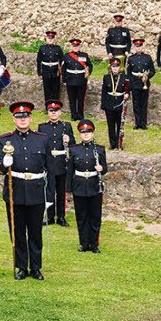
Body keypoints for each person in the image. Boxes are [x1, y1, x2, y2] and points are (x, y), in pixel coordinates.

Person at [0, 101, 49, 280]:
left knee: (35, 232)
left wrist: (49, 195)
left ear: (31, 118)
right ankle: (21, 267)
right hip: (15, 192)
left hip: (36, 191)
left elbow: (49, 168)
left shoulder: (42, 139)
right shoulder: (5, 140)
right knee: (17, 232)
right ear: (14, 119)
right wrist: (5, 164)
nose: (23, 119)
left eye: (25, 116)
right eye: (19, 117)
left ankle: (35, 267)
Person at [68, 119, 107, 252]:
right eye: (83, 132)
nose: (85, 134)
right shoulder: (73, 149)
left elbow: (105, 168)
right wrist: (68, 189)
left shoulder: (100, 149)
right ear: (80, 134)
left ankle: (94, 244)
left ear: (92, 133)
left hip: (94, 185)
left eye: (88, 132)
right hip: (79, 185)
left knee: (95, 216)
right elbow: (70, 170)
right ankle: (84, 243)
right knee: (81, 216)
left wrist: (101, 168)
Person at [39, 100, 74, 226]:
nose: (53, 113)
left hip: (61, 163)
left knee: (61, 191)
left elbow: (73, 145)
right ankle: (49, 216)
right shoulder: (42, 127)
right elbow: (40, 146)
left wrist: (69, 140)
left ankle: (61, 217)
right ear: (48, 112)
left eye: (56, 111)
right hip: (48, 163)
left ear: (60, 112)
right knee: (49, 191)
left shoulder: (67, 126)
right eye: (51, 111)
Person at [99, 58, 130, 149]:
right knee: (111, 125)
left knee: (119, 125)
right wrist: (103, 104)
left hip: (120, 104)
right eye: (113, 66)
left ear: (119, 67)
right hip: (109, 103)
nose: (115, 68)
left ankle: (118, 143)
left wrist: (127, 94)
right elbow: (104, 91)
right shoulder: (106, 77)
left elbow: (128, 89)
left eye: (117, 67)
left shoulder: (124, 77)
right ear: (111, 67)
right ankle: (112, 144)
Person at [126, 38, 155, 129]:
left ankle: (143, 123)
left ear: (143, 47)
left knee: (144, 104)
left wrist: (147, 76)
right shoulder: (131, 58)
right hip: (135, 83)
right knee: (136, 104)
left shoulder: (147, 57)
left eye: (140, 46)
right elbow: (129, 73)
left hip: (144, 83)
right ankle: (137, 123)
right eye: (137, 46)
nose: (138, 48)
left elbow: (153, 71)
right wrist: (130, 85)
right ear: (134, 47)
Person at [62, 39, 91, 120]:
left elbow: (90, 65)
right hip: (70, 80)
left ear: (80, 46)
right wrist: (64, 80)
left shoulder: (84, 55)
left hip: (81, 80)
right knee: (72, 99)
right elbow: (63, 68)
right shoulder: (66, 56)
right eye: (74, 46)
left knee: (81, 99)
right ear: (71, 46)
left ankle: (80, 115)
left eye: (77, 45)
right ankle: (73, 115)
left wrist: (88, 72)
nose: (75, 47)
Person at [36, 30, 64, 104]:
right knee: (47, 91)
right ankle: (48, 107)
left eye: (52, 38)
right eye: (49, 38)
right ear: (46, 38)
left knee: (56, 90)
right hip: (46, 72)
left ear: (54, 39)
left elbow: (62, 61)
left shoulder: (58, 48)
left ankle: (55, 106)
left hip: (55, 72)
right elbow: (38, 60)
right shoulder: (42, 48)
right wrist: (39, 72)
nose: (50, 39)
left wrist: (62, 72)